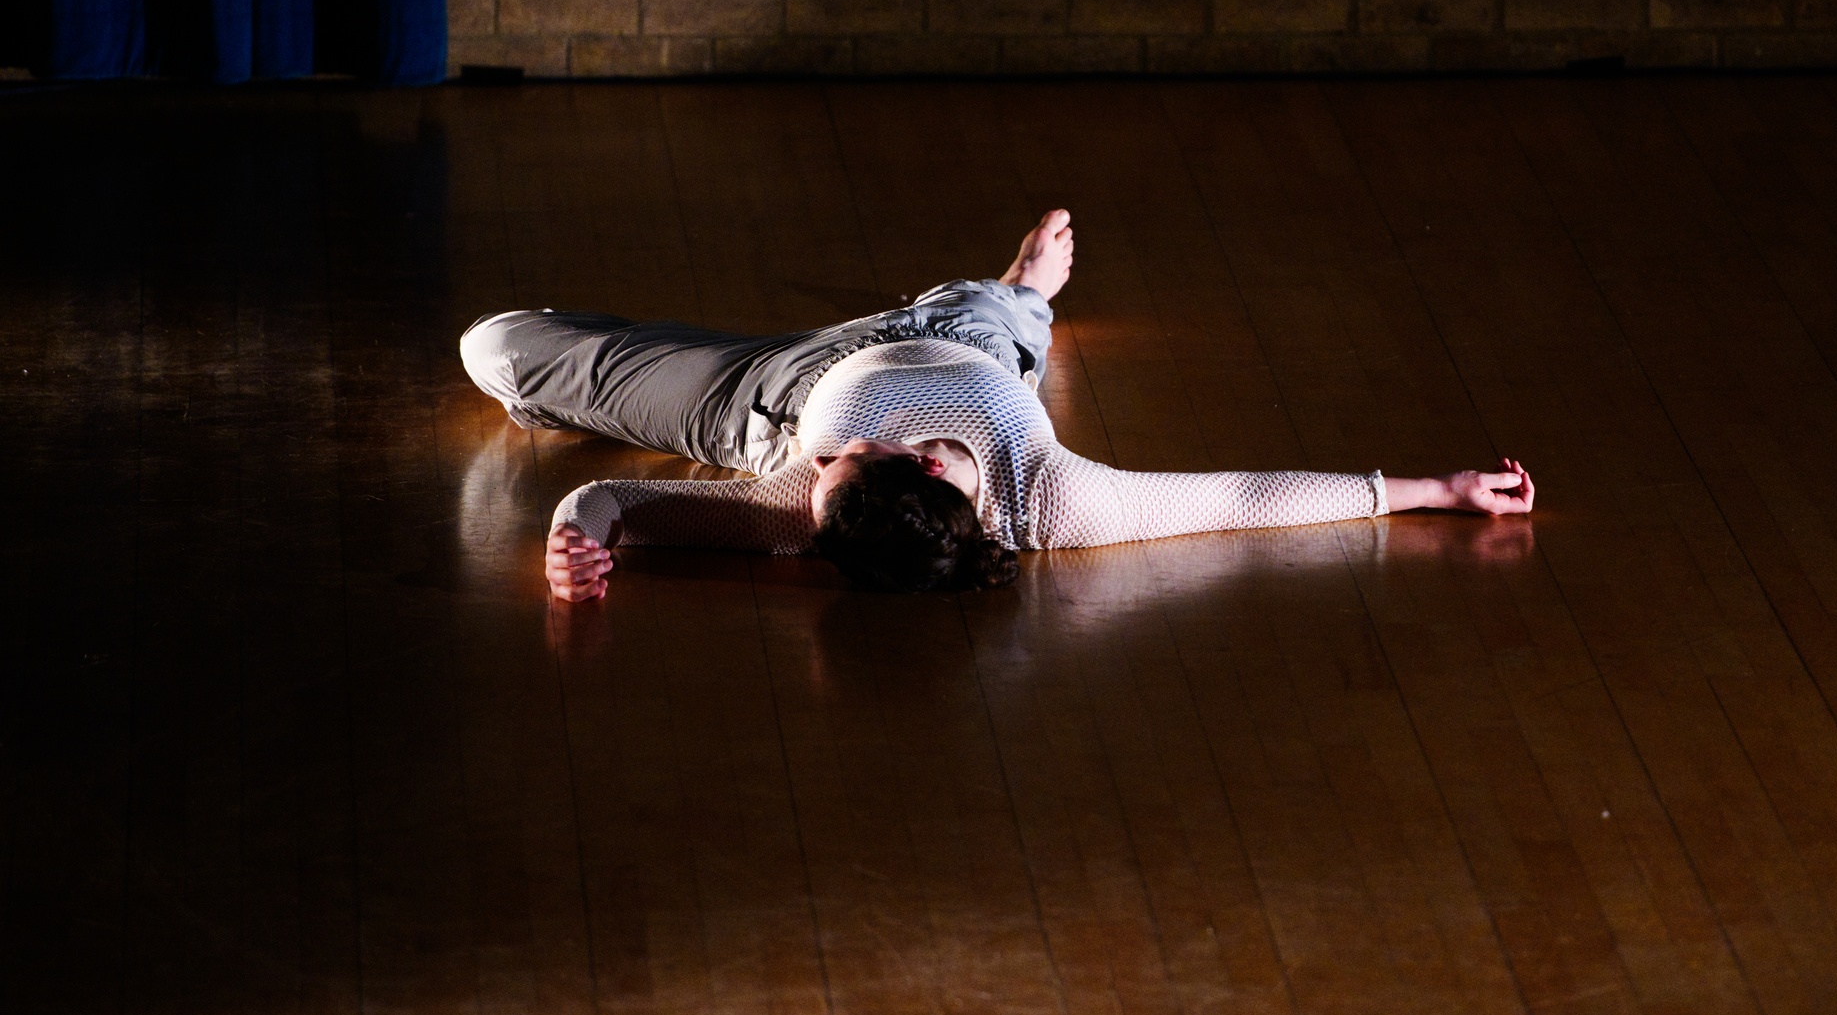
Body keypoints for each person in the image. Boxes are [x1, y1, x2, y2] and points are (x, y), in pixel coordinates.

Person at [458, 211, 1534, 601]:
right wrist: (1433, 490)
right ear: (929, 463)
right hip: (961, 338)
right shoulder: (1055, 497)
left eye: (828, 469)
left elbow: (608, 502)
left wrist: (571, 543)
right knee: (1003, 311)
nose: (831, 460)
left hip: (763, 398)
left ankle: (1016, 289)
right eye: (848, 457)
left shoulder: (796, 505)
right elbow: (1241, 499)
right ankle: (1024, 289)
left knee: (496, 350)